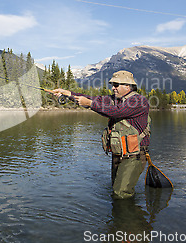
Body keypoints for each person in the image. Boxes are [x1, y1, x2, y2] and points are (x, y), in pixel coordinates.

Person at [53, 70, 150, 199]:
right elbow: (91, 98)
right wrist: (68, 93)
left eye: (116, 85)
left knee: (121, 194)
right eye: (112, 85)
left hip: (134, 155)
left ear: (128, 86)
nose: (113, 88)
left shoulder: (139, 101)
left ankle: (128, 218)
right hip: (118, 153)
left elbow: (116, 112)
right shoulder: (114, 99)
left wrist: (90, 104)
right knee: (116, 189)